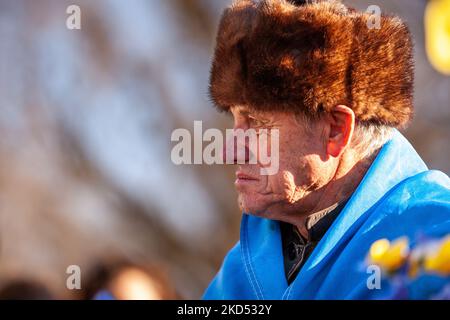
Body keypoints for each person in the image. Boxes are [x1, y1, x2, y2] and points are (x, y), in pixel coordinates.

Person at [203, 0, 450, 299]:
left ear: (335, 129)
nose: (230, 152)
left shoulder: (437, 243)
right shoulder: (239, 270)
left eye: (256, 122)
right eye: (235, 118)